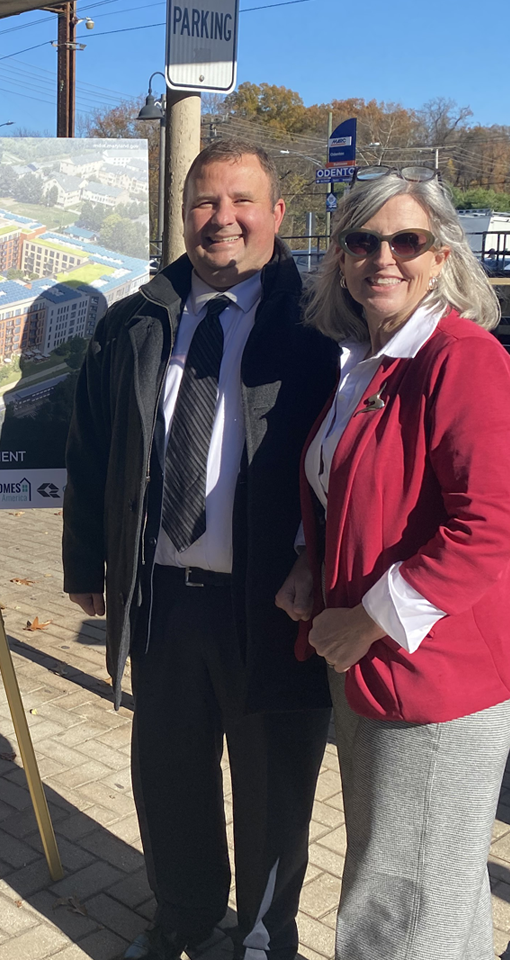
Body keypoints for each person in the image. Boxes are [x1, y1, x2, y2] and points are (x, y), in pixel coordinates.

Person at [61, 140, 338, 960]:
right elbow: (93, 449)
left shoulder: (322, 330)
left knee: (272, 788)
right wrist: (86, 563)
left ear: (278, 214)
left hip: (274, 603)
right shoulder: (136, 322)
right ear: (183, 216)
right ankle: (181, 913)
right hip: (165, 598)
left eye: (240, 202)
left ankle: (262, 935)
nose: (221, 221)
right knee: (171, 779)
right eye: (203, 204)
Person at [278, 166, 509, 960]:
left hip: (433, 683)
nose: (384, 257)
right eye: (363, 241)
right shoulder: (363, 362)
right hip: (370, 668)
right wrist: (312, 561)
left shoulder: (462, 358)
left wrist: (369, 617)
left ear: (442, 255)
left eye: (407, 240)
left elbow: (490, 525)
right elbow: (352, 493)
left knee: (397, 915)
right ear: (340, 258)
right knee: (429, 896)